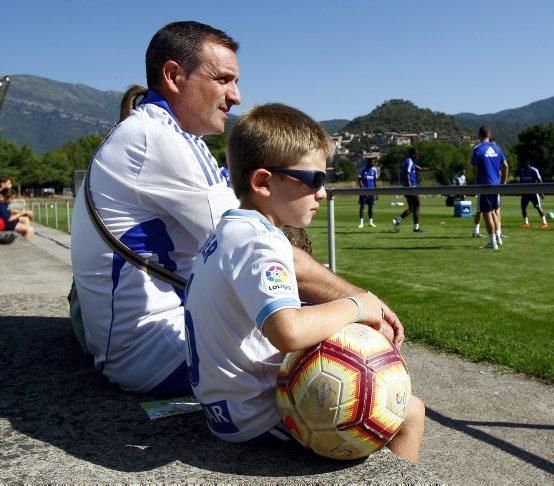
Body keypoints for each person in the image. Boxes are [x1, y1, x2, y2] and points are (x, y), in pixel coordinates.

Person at [70, 21, 403, 396]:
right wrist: (360, 302)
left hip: (130, 338)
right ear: (174, 75)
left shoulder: (151, 130)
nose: (237, 96)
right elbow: (255, 243)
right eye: (224, 79)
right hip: (149, 354)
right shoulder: (157, 139)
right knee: (352, 361)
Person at [184, 103, 425, 461]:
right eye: (314, 180)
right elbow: (287, 331)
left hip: (224, 412)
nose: (323, 193)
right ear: (264, 182)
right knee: (410, 412)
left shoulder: (229, 230)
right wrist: (360, 305)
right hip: (255, 418)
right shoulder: (261, 242)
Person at [471, 126, 508, 250]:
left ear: (479, 135)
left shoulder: (477, 149)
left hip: (484, 185)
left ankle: (493, 242)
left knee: (486, 213)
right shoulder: (497, 148)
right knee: (494, 210)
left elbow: (474, 169)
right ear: (489, 134)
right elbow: (506, 166)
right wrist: (503, 182)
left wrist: (476, 181)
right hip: (496, 185)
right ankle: (498, 237)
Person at [392, 147, 429, 232]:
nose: (418, 155)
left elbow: (421, 169)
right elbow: (407, 174)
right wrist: (410, 188)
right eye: (417, 154)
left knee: (412, 208)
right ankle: (416, 227)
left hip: (408, 187)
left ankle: (397, 220)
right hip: (411, 187)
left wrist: (433, 168)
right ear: (413, 154)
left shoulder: (408, 161)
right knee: (417, 205)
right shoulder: (409, 161)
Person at [517, 160, 548, 229]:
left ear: (529, 165)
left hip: (533, 193)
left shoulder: (534, 170)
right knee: (523, 207)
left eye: (527, 165)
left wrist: (541, 192)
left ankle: (544, 222)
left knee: (538, 207)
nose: (526, 167)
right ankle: (526, 222)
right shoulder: (522, 171)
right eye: (525, 165)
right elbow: (521, 181)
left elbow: (540, 181)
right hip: (525, 193)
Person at [358, 159, 378, 228]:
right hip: (363, 192)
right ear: (368, 163)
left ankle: (370, 222)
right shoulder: (362, 170)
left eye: (373, 163)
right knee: (362, 207)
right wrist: (363, 190)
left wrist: (376, 192)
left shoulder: (374, 170)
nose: (372, 164)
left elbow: (375, 182)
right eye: (371, 163)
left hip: (371, 191)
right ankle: (361, 223)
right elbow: (359, 181)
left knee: (371, 207)